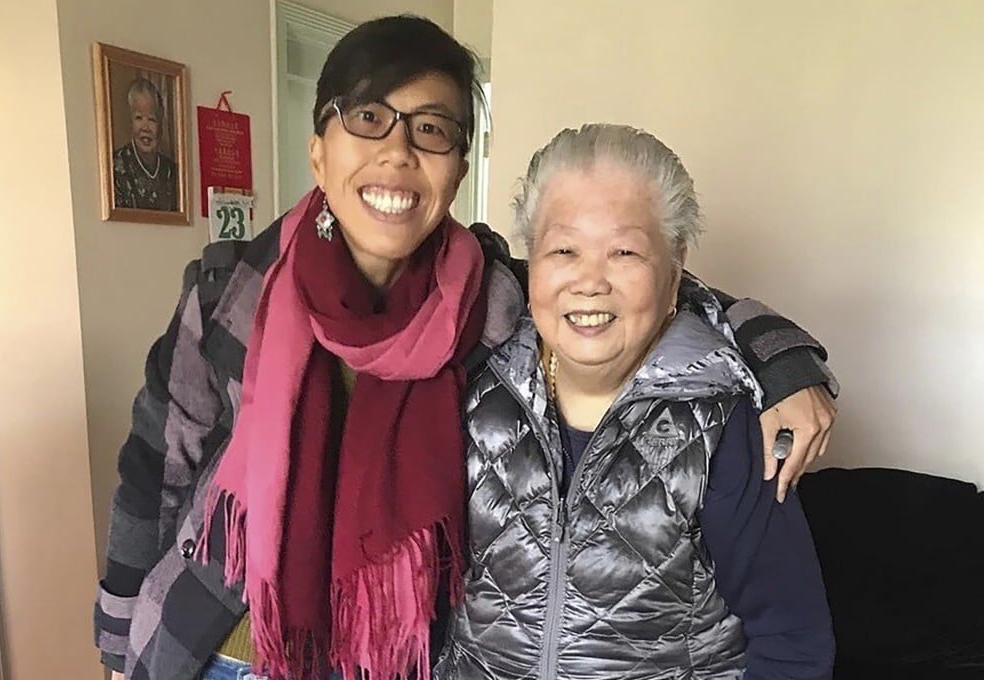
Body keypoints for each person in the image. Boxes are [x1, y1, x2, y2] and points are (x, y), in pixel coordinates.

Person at [93, 16, 837, 680]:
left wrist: (785, 361)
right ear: (320, 152)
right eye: (368, 118)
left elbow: (633, 287)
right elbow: (152, 473)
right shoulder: (234, 287)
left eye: (432, 129)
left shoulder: (488, 298)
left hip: (383, 656)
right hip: (218, 648)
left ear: (457, 171)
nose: (397, 153)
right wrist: (115, 645)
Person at [433, 124, 834, 680]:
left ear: (674, 275)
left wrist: (786, 362)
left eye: (623, 251)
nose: (590, 281)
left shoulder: (725, 424)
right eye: (564, 249)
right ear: (531, 267)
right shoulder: (475, 388)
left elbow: (792, 639)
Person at [113, 77, 178, 211]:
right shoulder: (115, 167)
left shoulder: (171, 171)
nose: (145, 127)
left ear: (160, 126)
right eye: (138, 118)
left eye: (152, 119)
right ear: (130, 123)